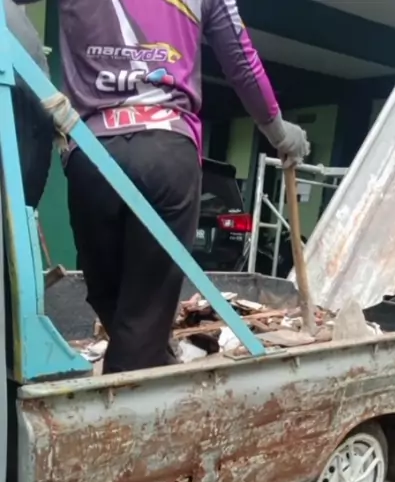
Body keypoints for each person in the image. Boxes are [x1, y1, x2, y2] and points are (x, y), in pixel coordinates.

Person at [18, 0, 310, 373]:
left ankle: (147, 357)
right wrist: (279, 132)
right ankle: (141, 370)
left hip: (93, 152)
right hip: (166, 149)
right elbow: (241, 60)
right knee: (142, 315)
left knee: (109, 297)